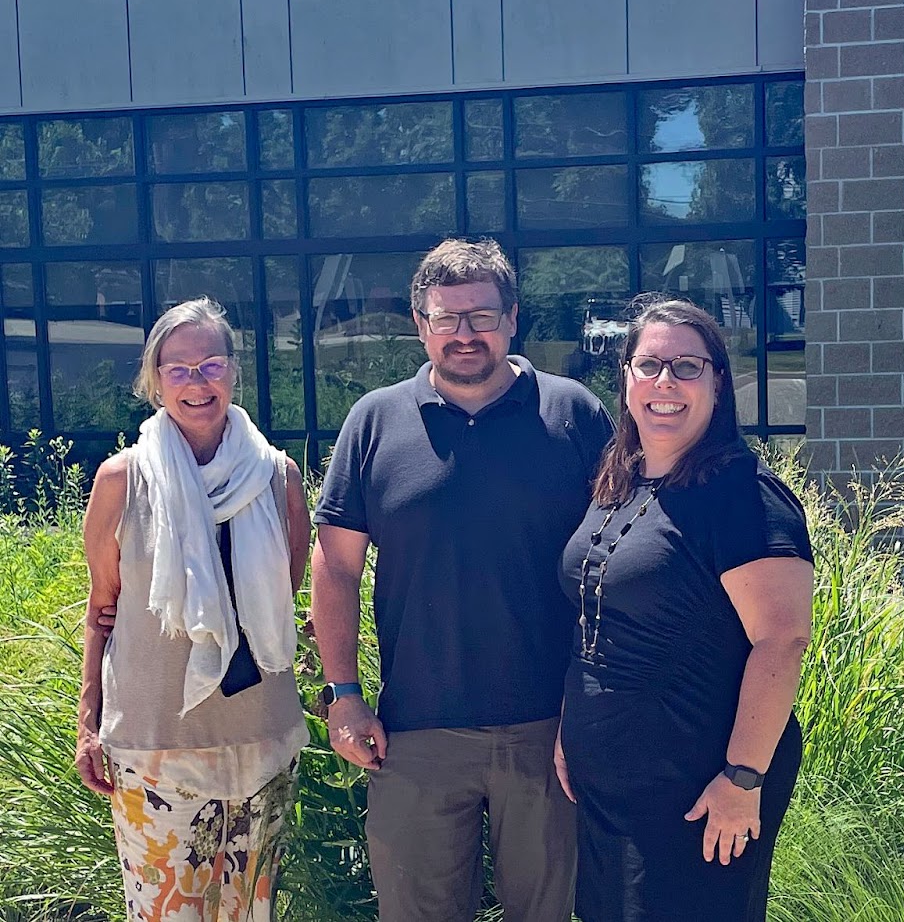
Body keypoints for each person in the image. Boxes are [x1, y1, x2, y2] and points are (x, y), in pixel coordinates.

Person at [310, 238, 613, 922]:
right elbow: (336, 566)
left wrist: (595, 707)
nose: (464, 334)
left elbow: (615, 562)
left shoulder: (573, 415)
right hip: (415, 732)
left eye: (481, 315)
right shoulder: (374, 421)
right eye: (446, 318)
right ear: (421, 325)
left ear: (512, 318)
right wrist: (345, 695)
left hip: (548, 728)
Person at [554, 297, 814, 922]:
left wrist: (743, 778)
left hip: (700, 789)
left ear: (718, 382)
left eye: (687, 367)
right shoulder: (621, 481)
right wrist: (572, 727)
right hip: (610, 789)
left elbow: (781, 640)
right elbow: (597, 620)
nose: (664, 382)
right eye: (649, 365)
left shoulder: (743, 495)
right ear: (627, 378)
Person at [76, 298, 311, 921]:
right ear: (154, 381)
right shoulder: (121, 481)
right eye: (177, 369)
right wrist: (88, 722)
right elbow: (102, 610)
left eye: (210, 364)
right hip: (155, 746)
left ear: (233, 370)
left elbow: (286, 594)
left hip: (262, 739)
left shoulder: (279, 479)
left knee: (251, 914)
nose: (196, 382)